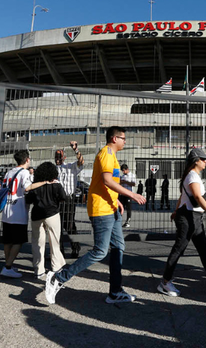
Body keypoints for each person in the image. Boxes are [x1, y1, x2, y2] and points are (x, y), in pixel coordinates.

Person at [45, 126, 146, 305]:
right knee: (100, 251)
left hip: (110, 208)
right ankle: (59, 278)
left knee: (118, 247)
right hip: (101, 210)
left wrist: (116, 201)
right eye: (123, 138)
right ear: (115, 139)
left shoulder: (112, 156)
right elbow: (107, 180)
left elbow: (104, 184)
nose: (125, 141)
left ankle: (115, 291)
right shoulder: (107, 153)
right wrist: (132, 195)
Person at [157, 148, 206, 297]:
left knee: (203, 249)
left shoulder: (192, 175)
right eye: (203, 159)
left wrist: (176, 210)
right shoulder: (192, 176)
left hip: (193, 217)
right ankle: (165, 283)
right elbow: (198, 197)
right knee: (179, 248)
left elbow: (183, 196)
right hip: (188, 217)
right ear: (196, 161)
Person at [1, 150, 42, 278]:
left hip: (7, 210)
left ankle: (8, 265)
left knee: (8, 241)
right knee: (18, 241)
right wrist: (42, 182)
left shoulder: (9, 172)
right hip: (18, 211)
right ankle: (7, 267)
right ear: (27, 160)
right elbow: (27, 188)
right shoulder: (24, 173)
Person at [26, 162, 70, 279]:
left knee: (37, 243)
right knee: (54, 242)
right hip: (52, 214)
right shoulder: (56, 185)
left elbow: (28, 199)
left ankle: (38, 270)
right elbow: (63, 198)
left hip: (36, 215)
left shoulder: (35, 185)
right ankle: (56, 268)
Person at [55, 142, 84, 257]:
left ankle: (75, 247)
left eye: (59, 157)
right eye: (56, 157)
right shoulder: (53, 169)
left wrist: (76, 150)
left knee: (70, 225)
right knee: (57, 226)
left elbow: (81, 162)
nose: (57, 159)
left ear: (64, 157)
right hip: (57, 200)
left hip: (68, 199)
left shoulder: (71, 167)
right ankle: (59, 250)